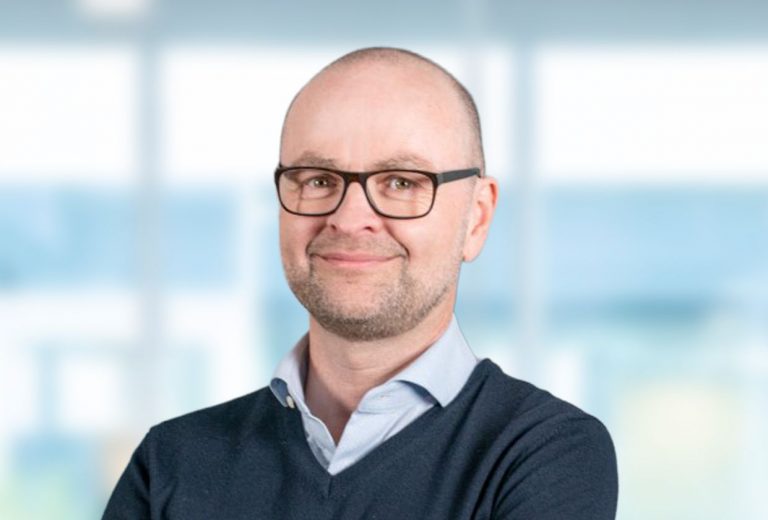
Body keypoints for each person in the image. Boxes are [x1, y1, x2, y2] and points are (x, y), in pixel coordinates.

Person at [103, 47, 618, 519]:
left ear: (476, 218)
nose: (350, 220)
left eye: (401, 182)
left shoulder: (545, 453)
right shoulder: (171, 462)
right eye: (318, 180)